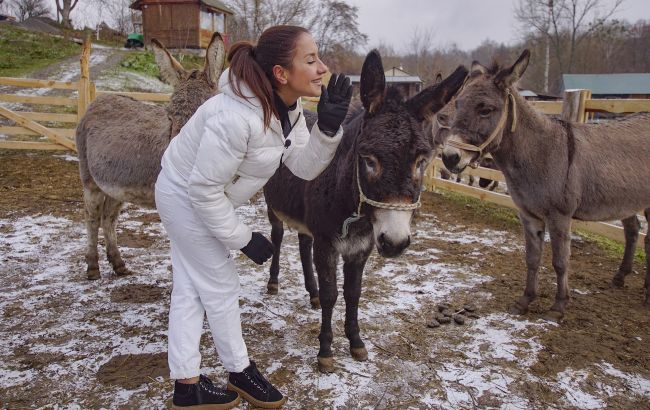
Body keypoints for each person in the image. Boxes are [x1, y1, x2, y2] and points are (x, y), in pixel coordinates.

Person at [154, 25, 352, 410]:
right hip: (184, 196)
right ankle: (239, 370)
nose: (322, 67)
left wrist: (326, 130)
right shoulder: (234, 118)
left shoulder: (287, 110)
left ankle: (187, 385)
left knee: (191, 290)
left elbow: (304, 166)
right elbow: (202, 190)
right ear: (281, 73)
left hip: (204, 197)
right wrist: (242, 238)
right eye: (310, 60)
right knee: (221, 285)